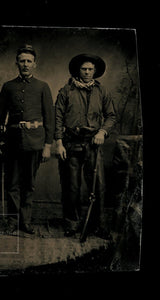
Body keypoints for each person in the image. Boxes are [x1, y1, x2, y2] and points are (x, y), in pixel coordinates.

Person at [0, 44, 54, 234]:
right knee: (12, 183)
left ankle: (25, 222)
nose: (25, 64)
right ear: (17, 63)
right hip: (12, 142)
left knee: (29, 184)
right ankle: (12, 221)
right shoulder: (8, 86)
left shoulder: (42, 87)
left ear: (35, 64)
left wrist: (47, 145)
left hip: (35, 142)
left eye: (29, 61)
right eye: (22, 61)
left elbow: (49, 118)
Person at [55, 53, 116, 237]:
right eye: (84, 69)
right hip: (71, 142)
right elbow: (57, 117)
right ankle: (72, 224)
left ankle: (97, 224)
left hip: (93, 144)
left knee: (98, 186)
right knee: (71, 186)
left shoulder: (102, 91)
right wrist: (59, 142)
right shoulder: (66, 91)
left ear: (95, 71)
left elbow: (111, 116)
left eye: (90, 69)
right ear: (78, 70)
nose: (87, 72)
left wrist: (102, 132)